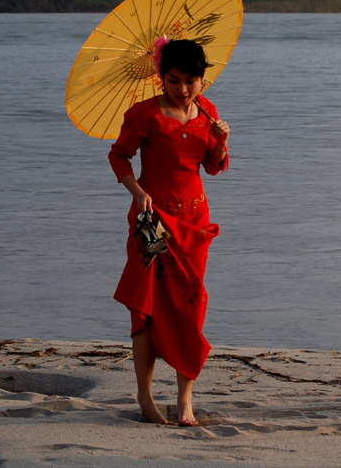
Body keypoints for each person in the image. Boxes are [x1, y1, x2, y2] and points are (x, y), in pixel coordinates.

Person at [108, 39, 230, 427]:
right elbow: (118, 155)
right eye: (173, 80)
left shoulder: (207, 111)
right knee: (145, 307)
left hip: (194, 223)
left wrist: (222, 142)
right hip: (151, 221)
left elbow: (212, 166)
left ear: (202, 78)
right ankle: (145, 396)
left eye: (190, 80)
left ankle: (185, 401)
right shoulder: (143, 114)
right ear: (161, 77)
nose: (181, 89)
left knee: (189, 305)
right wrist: (137, 191)